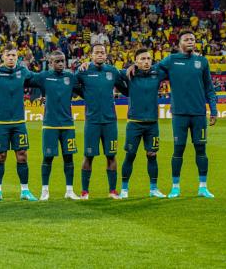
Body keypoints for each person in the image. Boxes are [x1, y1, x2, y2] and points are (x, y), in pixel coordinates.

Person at [127, 30, 217, 198]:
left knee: (201, 149)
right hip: (179, 114)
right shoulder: (171, 60)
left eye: (193, 39)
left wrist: (213, 110)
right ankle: (175, 187)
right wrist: (134, 67)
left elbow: (209, 89)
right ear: (179, 43)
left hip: (198, 114)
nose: (190, 41)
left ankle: (203, 187)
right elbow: (150, 69)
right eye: (186, 39)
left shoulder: (202, 62)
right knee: (178, 150)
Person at [0, 43, 38, 202]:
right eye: (8, 55)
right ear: (3, 57)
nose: (11, 58)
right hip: (1, 122)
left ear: (17, 57)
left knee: (22, 155)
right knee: (0, 156)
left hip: (19, 122)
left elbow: (37, 79)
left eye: (14, 55)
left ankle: (25, 191)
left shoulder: (23, 71)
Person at [76, 44, 128, 200]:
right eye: (97, 52)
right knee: (88, 156)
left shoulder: (112, 71)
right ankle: (85, 191)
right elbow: (72, 84)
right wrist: (86, 94)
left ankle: (112, 191)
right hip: (92, 121)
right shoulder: (83, 71)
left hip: (110, 121)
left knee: (111, 155)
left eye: (102, 52)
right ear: (91, 55)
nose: (100, 54)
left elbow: (126, 90)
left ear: (106, 55)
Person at [28, 50, 82, 201]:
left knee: (68, 157)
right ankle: (45, 190)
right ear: (50, 63)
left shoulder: (70, 77)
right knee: (48, 157)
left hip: (67, 125)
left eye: (62, 61)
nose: (60, 64)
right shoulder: (43, 76)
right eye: (57, 61)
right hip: (50, 124)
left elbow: (83, 90)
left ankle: (70, 190)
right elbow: (26, 79)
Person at [119, 49, 168, 199]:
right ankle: (124, 189)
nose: (146, 61)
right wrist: (86, 64)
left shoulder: (157, 73)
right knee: (130, 156)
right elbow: (109, 71)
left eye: (149, 59)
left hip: (152, 123)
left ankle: (153, 189)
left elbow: (174, 67)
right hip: (134, 123)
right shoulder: (128, 74)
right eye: (143, 59)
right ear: (136, 61)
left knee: (152, 155)